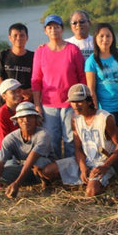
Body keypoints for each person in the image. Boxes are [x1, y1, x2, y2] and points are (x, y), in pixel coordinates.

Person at [34, 84, 118, 196]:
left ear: (89, 101)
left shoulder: (105, 119)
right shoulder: (75, 118)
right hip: (86, 161)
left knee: (91, 192)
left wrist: (105, 166)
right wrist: (83, 167)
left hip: (102, 163)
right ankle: (87, 179)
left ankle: (103, 181)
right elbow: (78, 148)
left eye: (79, 102)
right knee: (47, 172)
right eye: (73, 102)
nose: (75, 105)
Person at [32, 14, 86, 159]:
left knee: (70, 139)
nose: (53, 30)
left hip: (70, 103)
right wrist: (37, 105)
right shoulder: (40, 52)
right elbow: (36, 80)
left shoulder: (73, 50)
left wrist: (82, 101)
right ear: (45, 31)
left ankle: (71, 168)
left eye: (56, 27)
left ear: (62, 29)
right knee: (51, 139)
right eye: (50, 27)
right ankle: (55, 169)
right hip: (49, 104)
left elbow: (82, 76)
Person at [0, 102, 55, 203]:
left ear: (35, 119)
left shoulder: (43, 135)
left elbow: (31, 159)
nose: (25, 121)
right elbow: (0, 163)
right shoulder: (10, 138)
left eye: (29, 117)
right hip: (22, 166)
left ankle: (46, 184)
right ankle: (12, 183)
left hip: (38, 166)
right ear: (16, 121)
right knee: (4, 168)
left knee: (39, 164)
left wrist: (17, 183)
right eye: (21, 118)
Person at [85, 23, 118, 137]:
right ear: (95, 38)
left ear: (112, 38)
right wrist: (95, 108)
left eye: (108, 36)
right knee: (107, 138)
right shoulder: (91, 61)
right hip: (105, 108)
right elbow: (91, 88)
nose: (105, 39)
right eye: (101, 36)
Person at [0, 22, 34, 104]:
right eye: (15, 35)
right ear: (10, 38)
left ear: (27, 38)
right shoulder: (2, 55)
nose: (19, 38)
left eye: (22, 35)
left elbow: (39, 81)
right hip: (7, 103)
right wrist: (19, 92)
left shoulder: (34, 57)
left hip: (27, 102)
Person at [0, 79, 23, 156]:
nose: (18, 94)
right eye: (13, 92)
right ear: (4, 96)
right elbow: (5, 140)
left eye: (19, 91)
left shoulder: (24, 106)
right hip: (8, 149)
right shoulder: (1, 115)